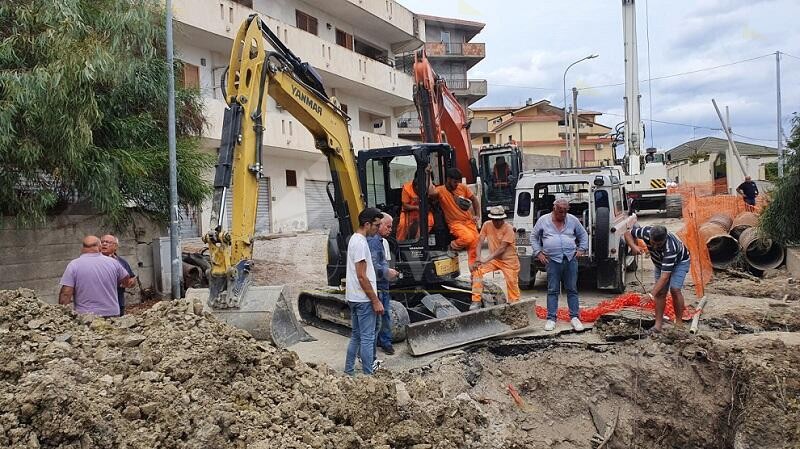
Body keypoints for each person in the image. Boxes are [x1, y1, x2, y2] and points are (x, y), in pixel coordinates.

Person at [531, 198, 588, 331]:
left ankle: (574, 317)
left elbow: (583, 234)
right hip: (552, 260)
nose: (562, 215)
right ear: (554, 208)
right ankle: (551, 318)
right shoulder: (543, 220)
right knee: (552, 290)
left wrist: (581, 249)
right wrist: (538, 253)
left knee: (572, 289)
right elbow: (533, 237)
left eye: (565, 212)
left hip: (570, 259)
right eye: (560, 212)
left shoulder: (572, 219)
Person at [624, 224, 690, 333]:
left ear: (664, 240)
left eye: (658, 244)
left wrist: (650, 295)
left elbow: (665, 277)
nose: (654, 247)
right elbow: (627, 234)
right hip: (660, 264)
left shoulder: (670, 249)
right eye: (652, 243)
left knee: (675, 289)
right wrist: (633, 246)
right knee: (660, 293)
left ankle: (679, 322)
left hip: (680, 262)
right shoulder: (645, 232)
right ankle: (657, 325)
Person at [344, 208, 385, 376]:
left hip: (354, 297)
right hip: (363, 299)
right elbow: (362, 276)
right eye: (376, 225)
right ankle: (368, 376)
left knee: (356, 336)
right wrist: (375, 300)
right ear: (367, 224)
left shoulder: (354, 240)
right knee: (367, 339)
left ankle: (349, 371)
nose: (378, 228)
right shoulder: (361, 243)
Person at [58, 235, 132, 318]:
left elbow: (66, 294)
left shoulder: (74, 265)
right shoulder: (113, 263)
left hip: (85, 316)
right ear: (100, 247)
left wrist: (63, 316)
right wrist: (123, 283)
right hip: (111, 314)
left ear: (82, 248)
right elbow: (126, 279)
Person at [427, 166, 481, 266]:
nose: (457, 184)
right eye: (455, 182)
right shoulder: (440, 190)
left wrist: (477, 215)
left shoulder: (462, 187)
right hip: (455, 223)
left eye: (458, 182)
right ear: (448, 179)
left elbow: (474, 199)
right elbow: (430, 192)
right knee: (467, 238)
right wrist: (428, 174)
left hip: (469, 222)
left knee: (476, 245)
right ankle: (451, 247)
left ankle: (476, 277)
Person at [469, 206, 520, 310]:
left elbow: (502, 249)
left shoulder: (509, 228)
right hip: (494, 260)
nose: (497, 222)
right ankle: (476, 300)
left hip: (509, 261)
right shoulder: (487, 225)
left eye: (500, 220)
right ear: (491, 219)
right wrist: (478, 258)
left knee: (512, 283)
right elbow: (479, 242)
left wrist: (485, 259)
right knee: (477, 271)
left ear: (503, 219)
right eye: (495, 220)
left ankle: (515, 305)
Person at [368, 214, 400, 354]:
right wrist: (388, 272)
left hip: (383, 285)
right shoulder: (373, 242)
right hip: (378, 286)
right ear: (379, 225)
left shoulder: (383, 242)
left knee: (385, 315)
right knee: (378, 319)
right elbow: (374, 267)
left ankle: (384, 341)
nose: (390, 230)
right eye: (388, 226)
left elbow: (384, 262)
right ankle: (374, 348)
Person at [100, 234, 136, 315]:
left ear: (115, 247)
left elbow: (132, 278)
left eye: (108, 242)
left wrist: (130, 282)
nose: (104, 244)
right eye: (102, 242)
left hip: (118, 301)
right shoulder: (94, 261)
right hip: (99, 304)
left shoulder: (121, 262)